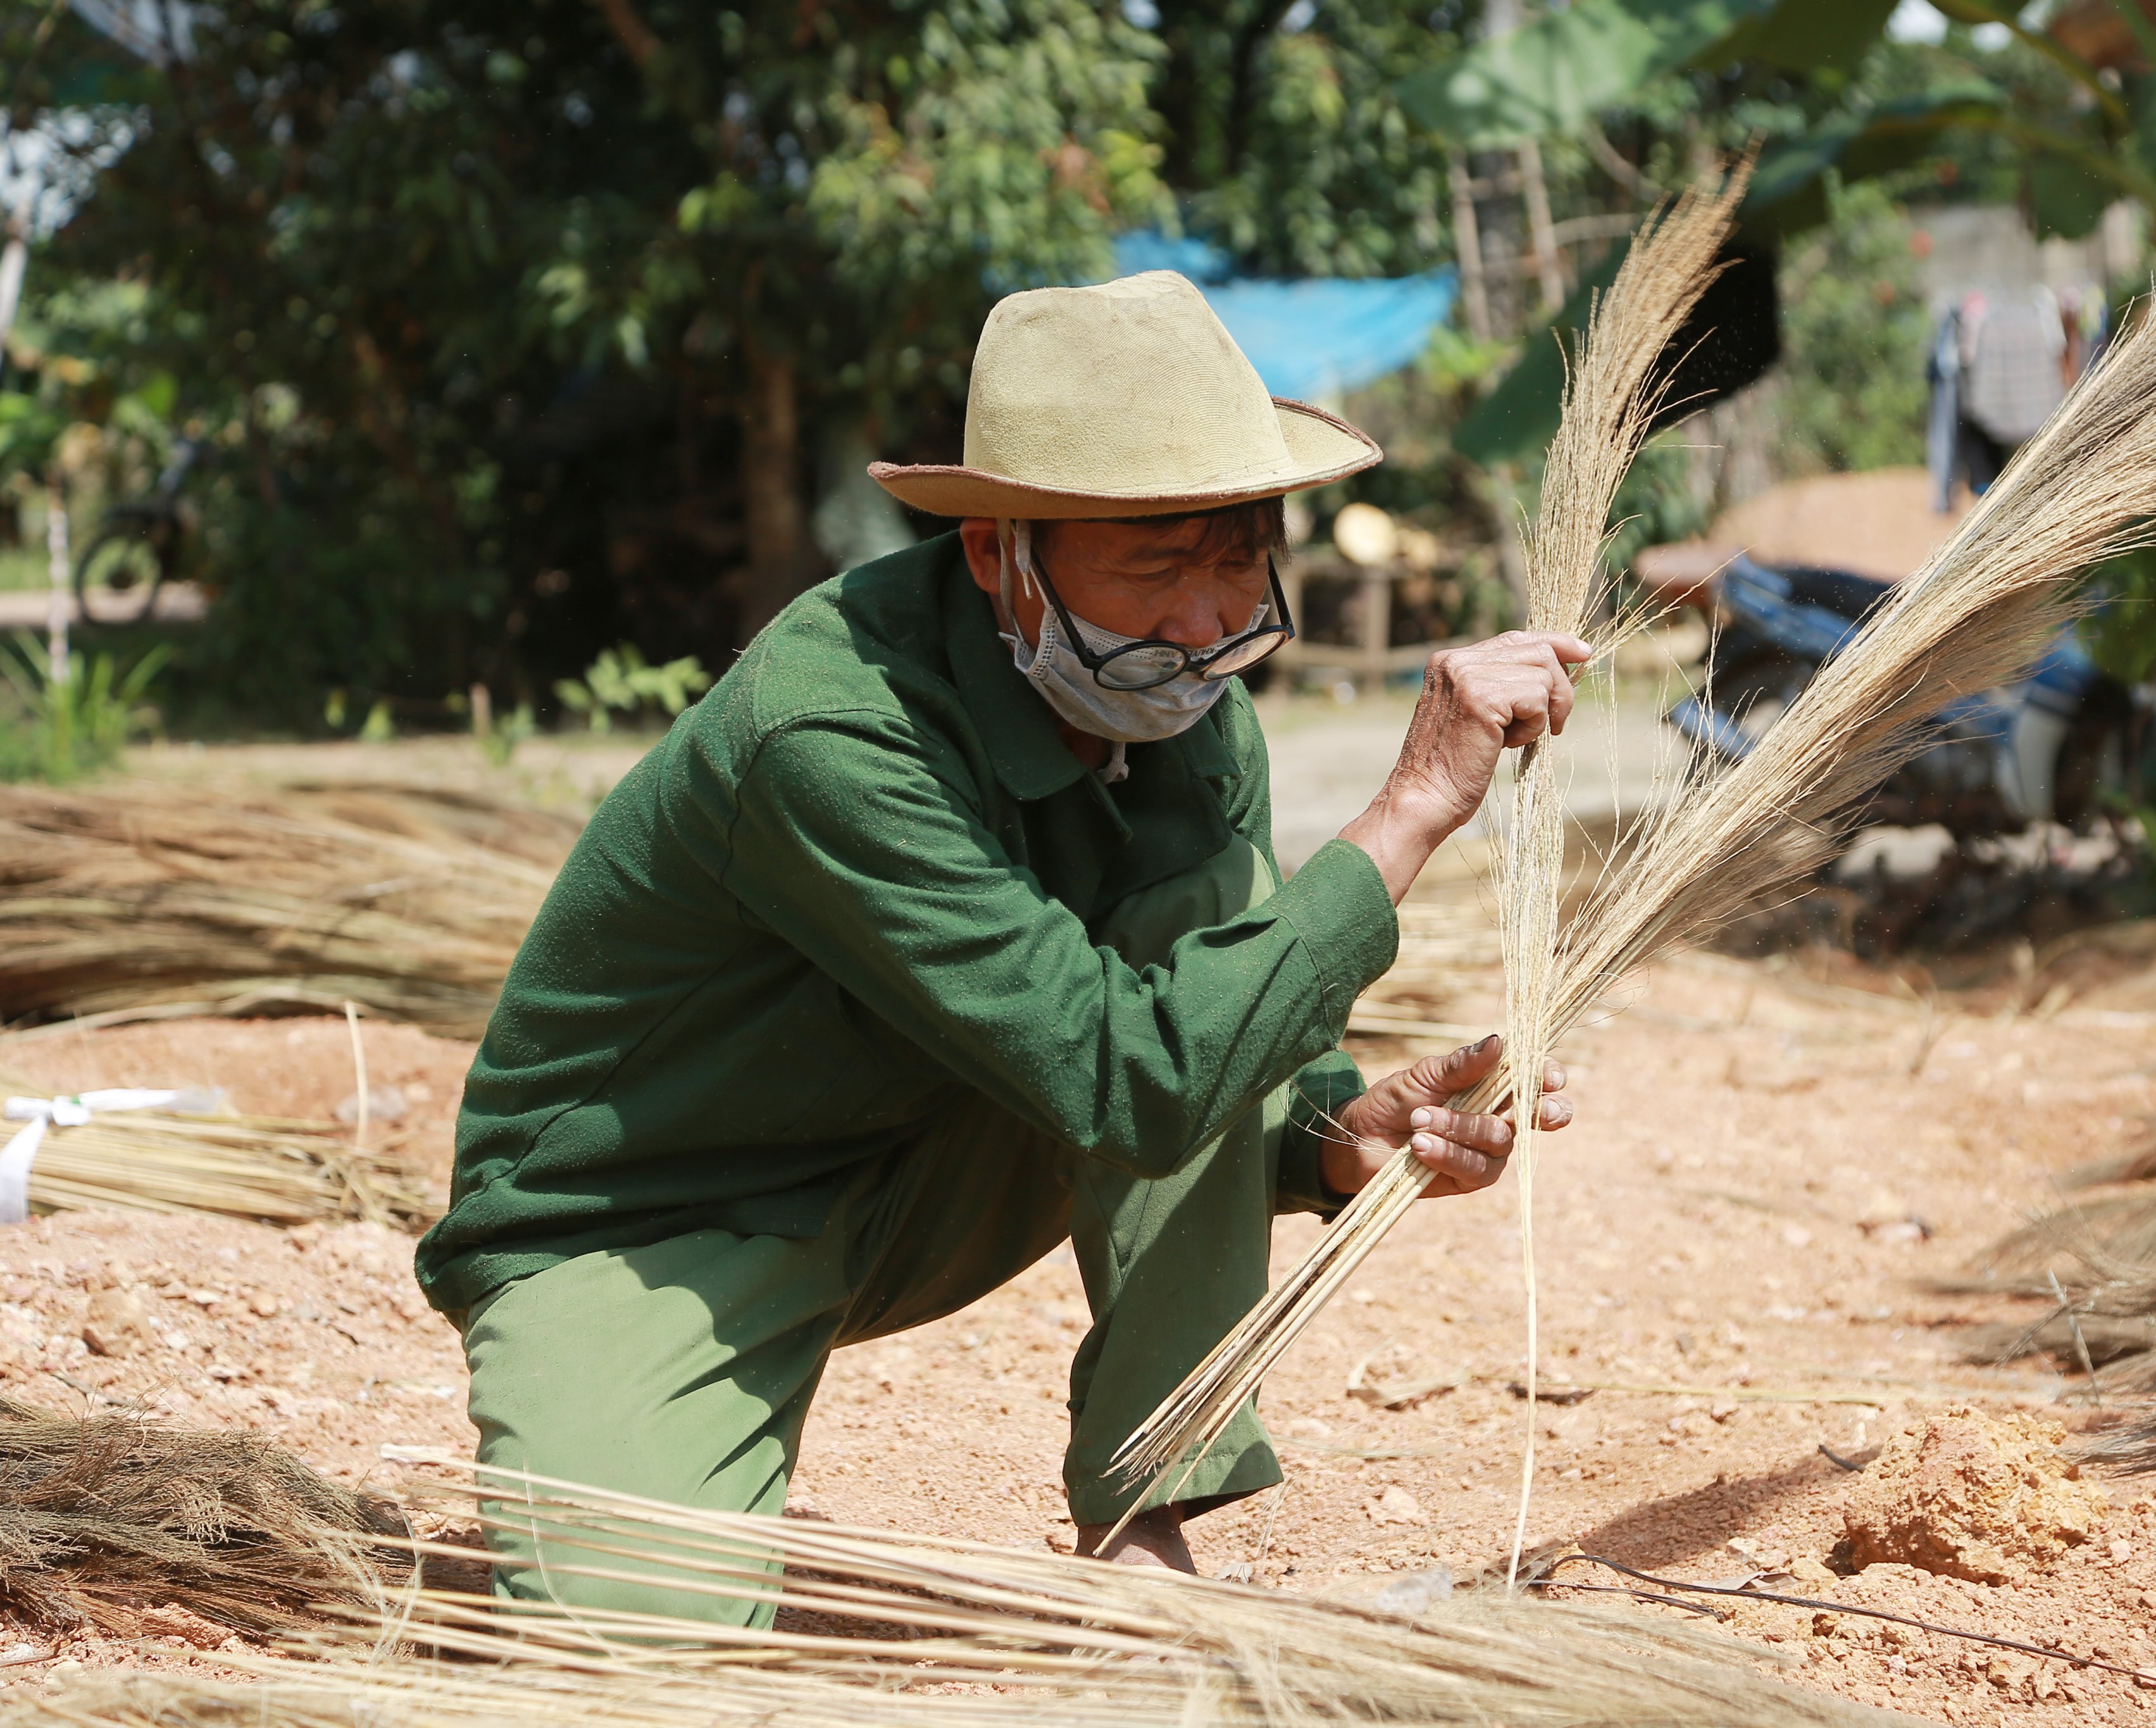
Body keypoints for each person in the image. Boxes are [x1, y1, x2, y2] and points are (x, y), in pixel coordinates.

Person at [411, 270, 1586, 1622]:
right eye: (1154, 563)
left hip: (925, 1161)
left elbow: (1165, 1052)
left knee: (1205, 948)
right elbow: (1126, 1073)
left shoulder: (1185, 724)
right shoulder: (833, 732)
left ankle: (1149, 1513)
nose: (1208, 626)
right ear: (993, 556)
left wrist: (1332, 1135)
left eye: (1234, 557)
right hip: (653, 1217)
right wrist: (1410, 811)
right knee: (636, 1657)